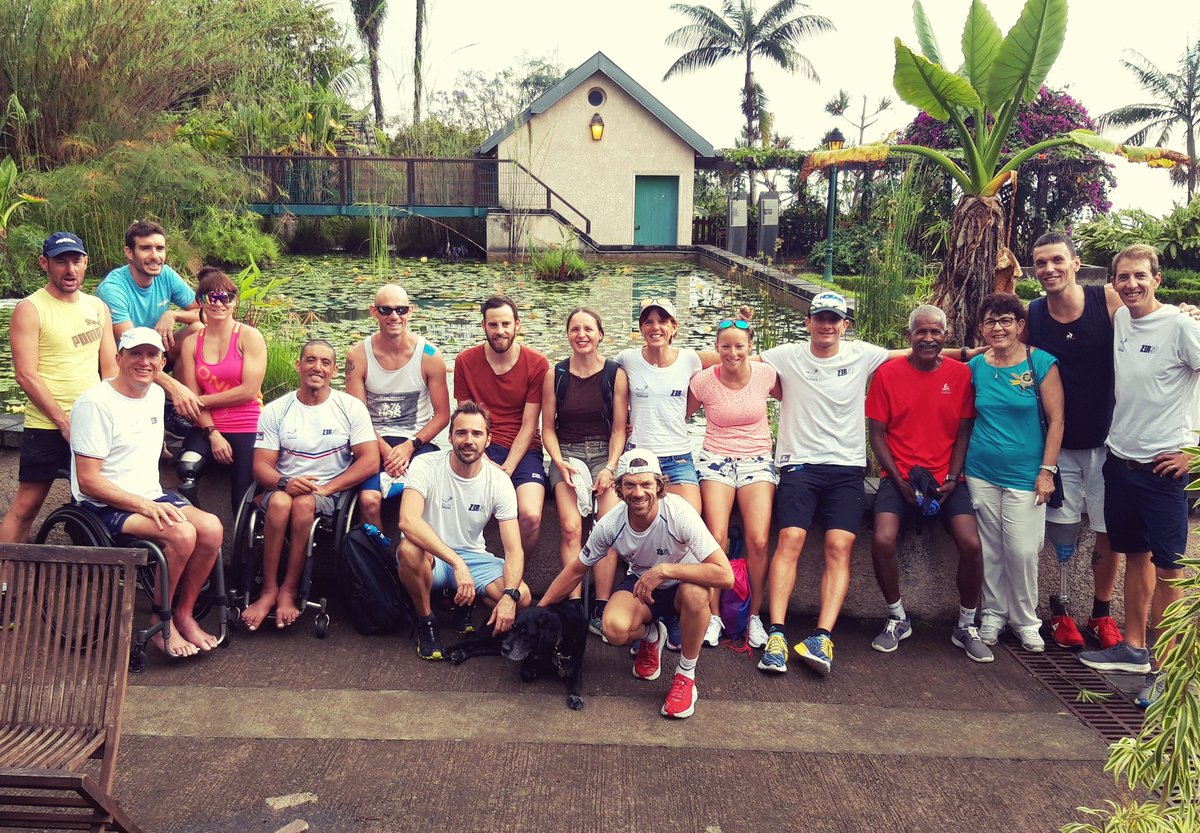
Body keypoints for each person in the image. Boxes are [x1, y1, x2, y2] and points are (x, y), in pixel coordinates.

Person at [1078, 244, 1200, 708]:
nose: (1131, 284)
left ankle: (1167, 671)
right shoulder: (1122, 321)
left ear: (1157, 279)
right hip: (1121, 461)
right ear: (1113, 282)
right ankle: (1133, 648)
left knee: (1170, 570)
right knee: (1135, 555)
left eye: (1140, 276)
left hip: (1163, 471)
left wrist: (1194, 453)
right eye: (1123, 277)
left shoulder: (1181, 326)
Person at [756, 291, 899, 676]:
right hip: (798, 464)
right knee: (790, 539)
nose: (826, 325)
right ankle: (776, 633)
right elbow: (734, 359)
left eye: (834, 319)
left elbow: (911, 354)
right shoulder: (786, 355)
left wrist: (969, 353)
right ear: (808, 322)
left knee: (840, 545)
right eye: (819, 317)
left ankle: (822, 636)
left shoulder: (862, 354)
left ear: (844, 325)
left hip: (847, 467)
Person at [538, 449, 734, 719]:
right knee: (612, 628)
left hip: (683, 584)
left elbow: (725, 575)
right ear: (619, 488)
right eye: (630, 484)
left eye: (646, 484)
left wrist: (664, 570)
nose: (638, 492)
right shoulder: (611, 523)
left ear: (659, 486)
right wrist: (540, 608)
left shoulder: (679, 512)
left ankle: (685, 675)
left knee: (696, 594)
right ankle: (651, 636)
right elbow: (576, 570)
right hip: (643, 585)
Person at [70, 327, 223, 658]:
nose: (144, 361)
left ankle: (184, 614)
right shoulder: (95, 404)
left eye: (152, 355)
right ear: (118, 358)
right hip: (103, 504)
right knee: (182, 534)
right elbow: (88, 481)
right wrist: (142, 505)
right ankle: (159, 619)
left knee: (211, 528)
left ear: (162, 362)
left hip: (149, 494)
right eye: (135, 353)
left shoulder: (154, 394)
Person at [865, 305, 991, 662]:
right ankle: (897, 617)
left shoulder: (960, 375)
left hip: (947, 479)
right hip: (899, 477)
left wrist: (952, 478)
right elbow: (877, 435)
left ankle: (965, 624)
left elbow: (964, 432)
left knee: (971, 544)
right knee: (882, 538)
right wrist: (900, 480)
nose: (928, 338)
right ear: (909, 336)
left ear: (945, 336)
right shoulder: (887, 375)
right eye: (921, 331)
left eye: (935, 332)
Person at [1025, 232, 1126, 650]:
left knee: (1107, 529)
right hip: (1058, 445)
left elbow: (1151, 319)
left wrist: (1187, 313)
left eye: (1056, 260)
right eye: (1040, 263)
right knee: (1060, 530)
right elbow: (1001, 349)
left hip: (1108, 442)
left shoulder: (1107, 300)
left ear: (1075, 263)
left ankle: (1101, 613)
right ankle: (1061, 610)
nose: (1049, 269)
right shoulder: (1034, 313)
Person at [248, 340, 378, 629]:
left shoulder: (350, 407)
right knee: (280, 502)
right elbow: (260, 467)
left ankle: (289, 590)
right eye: (310, 360)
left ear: (334, 371)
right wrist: (284, 482)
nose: (317, 367)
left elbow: (370, 461)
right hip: (282, 486)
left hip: (327, 492)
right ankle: (268, 590)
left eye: (325, 362)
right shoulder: (276, 410)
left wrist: (328, 488)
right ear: (298, 365)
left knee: (305, 502)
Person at [0, 232, 117, 544]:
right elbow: (26, 375)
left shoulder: (97, 306)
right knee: (26, 507)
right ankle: (6, 570)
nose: (70, 269)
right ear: (45, 263)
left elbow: (110, 369)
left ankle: (95, 569)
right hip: (48, 425)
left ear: (86, 262)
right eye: (61, 261)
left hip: (91, 424)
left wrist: (115, 415)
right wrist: (64, 422)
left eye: (76, 261)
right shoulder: (31, 308)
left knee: (97, 505)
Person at [965, 293, 1064, 653]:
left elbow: (1057, 420)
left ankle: (1025, 620)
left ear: (1020, 325)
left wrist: (1047, 471)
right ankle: (993, 615)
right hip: (981, 471)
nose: (999, 327)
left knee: (1022, 551)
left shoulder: (1041, 363)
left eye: (1006, 320)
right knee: (991, 550)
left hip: (1027, 474)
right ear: (981, 329)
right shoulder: (977, 365)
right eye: (991, 321)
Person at [397, 401, 533, 660]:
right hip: (433, 558)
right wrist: (456, 563)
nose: (468, 440)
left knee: (522, 597)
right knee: (409, 548)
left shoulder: (499, 481)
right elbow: (407, 520)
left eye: (476, 433)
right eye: (461, 433)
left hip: (473, 558)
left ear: (488, 440)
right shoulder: (425, 464)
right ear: (450, 437)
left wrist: (509, 596)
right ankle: (426, 620)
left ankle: (464, 601)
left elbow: (514, 549)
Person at [687, 307, 777, 649]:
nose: (733, 353)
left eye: (739, 346)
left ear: (750, 346)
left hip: (757, 459)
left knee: (758, 539)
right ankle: (713, 616)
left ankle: (754, 616)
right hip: (716, 460)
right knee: (715, 535)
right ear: (717, 347)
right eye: (726, 346)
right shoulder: (704, 380)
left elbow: (799, 398)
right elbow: (678, 414)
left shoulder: (766, 375)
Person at [540, 307, 628, 633]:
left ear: (600, 334)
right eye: (575, 329)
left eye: (588, 329)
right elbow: (548, 429)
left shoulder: (615, 374)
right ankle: (575, 604)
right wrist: (558, 460)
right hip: (568, 455)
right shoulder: (556, 375)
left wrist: (610, 468)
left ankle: (601, 605)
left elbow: (618, 430)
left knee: (607, 526)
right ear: (568, 335)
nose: (582, 335)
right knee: (570, 527)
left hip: (605, 454)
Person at [344, 283, 450, 529]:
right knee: (369, 501)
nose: (394, 316)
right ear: (373, 311)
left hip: (417, 441)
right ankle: (377, 552)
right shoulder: (358, 356)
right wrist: (384, 449)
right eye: (386, 310)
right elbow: (356, 415)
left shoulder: (430, 356)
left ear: (410, 311)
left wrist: (410, 446)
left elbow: (443, 415)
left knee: (421, 499)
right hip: (373, 440)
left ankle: (418, 551)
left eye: (400, 310)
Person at [453, 295, 549, 553]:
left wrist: (506, 470)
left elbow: (529, 424)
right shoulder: (465, 361)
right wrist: (483, 459)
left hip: (523, 450)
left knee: (531, 516)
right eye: (493, 325)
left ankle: (515, 573)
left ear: (517, 324)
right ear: (484, 326)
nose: (500, 331)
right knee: (460, 511)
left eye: (506, 324)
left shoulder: (537, 364)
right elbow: (465, 423)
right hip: (479, 447)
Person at [173, 267, 266, 512]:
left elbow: (248, 391)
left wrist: (199, 401)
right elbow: (192, 395)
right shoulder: (191, 343)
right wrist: (213, 433)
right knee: (186, 469)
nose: (218, 303)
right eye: (211, 297)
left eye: (226, 297)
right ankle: (200, 526)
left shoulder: (249, 336)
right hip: (206, 424)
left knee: (243, 497)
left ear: (234, 301)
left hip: (246, 423)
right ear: (201, 301)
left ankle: (248, 533)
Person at [97, 220, 203, 428]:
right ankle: (172, 400)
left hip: (157, 353)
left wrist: (174, 315)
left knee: (197, 331)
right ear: (129, 252)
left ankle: (179, 409)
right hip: (124, 361)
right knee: (140, 356)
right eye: (146, 248)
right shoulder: (113, 288)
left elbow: (204, 313)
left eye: (160, 248)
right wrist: (174, 387)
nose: (155, 256)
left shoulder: (166, 275)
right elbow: (132, 347)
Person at [615, 298, 707, 514]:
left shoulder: (689, 359)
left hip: (678, 457)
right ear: (641, 328)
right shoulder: (627, 359)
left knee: (691, 518)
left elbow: (725, 362)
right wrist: (621, 420)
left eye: (663, 321)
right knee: (636, 520)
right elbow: (602, 383)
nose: (655, 327)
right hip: (638, 454)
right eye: (648, 322)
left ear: (674, 327)